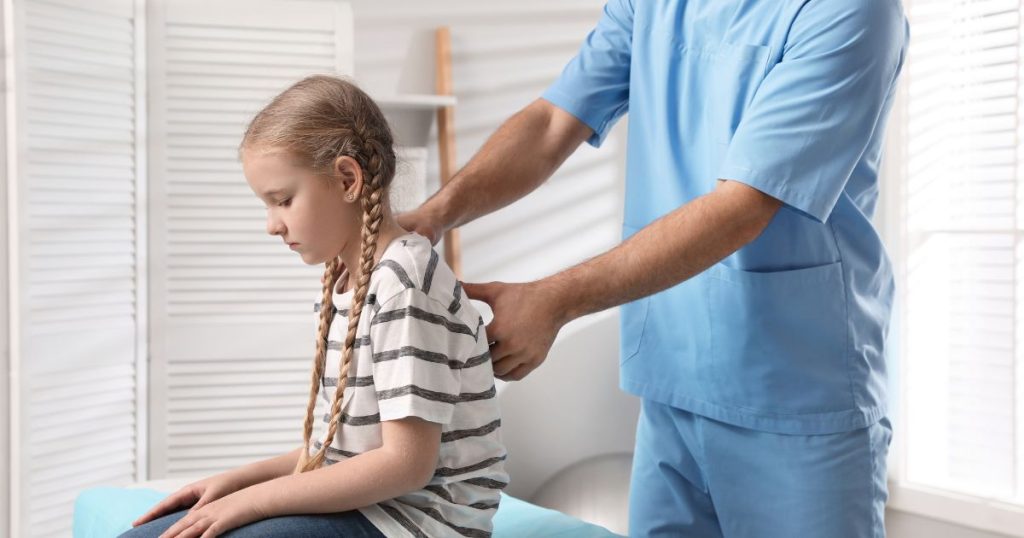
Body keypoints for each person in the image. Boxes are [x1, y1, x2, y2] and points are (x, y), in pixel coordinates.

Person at [399, 0, 910, 536]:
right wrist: (434, 215)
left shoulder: (852, 12)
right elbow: (553, 121)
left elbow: (740, 208)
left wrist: (555, 299)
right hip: (673, 386)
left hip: (798, 399)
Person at [124, 75, 508, 538]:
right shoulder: (347, 279)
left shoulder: (403, 283)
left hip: (415, 523)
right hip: (371, 507)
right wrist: (235, 483)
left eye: (283, 201)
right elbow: (346, 452)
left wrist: (249, 503)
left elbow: (405, 466)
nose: (272, 226)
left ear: (348, 179)